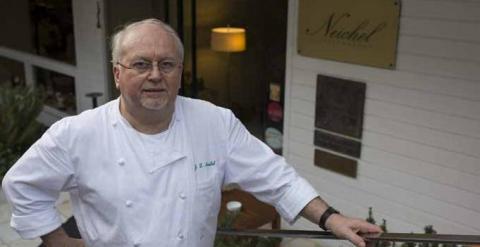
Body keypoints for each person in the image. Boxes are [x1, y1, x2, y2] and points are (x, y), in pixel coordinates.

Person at [2, 18, 381, 247]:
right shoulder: (77, 134)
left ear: (180, 72)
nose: (155, 74)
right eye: (140, 64)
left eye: (167, 64)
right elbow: (22, 185)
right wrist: (56, 240)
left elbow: (276, 179)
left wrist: (332, 218)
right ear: (118, 73)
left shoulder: (215, 123)